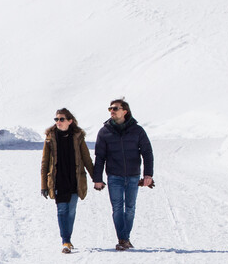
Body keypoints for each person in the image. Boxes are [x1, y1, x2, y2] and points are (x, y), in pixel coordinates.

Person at [93, 98, 154, 251]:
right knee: (118, 208)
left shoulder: (137, 130)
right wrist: (97, 179)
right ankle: (123, 239)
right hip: (114, 176)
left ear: (125, 111)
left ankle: (124, 238)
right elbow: (99, 157)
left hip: (133, 176)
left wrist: (148, 175)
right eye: (110, 109)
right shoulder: (104, 132)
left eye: (115, 108)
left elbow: (147, 153)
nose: (112, 111)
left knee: (131, 207)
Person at [40, 108, 96, 254]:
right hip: (58, 180)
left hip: (75, 179)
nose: (58, 122)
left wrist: (96, 178)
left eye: (61, 119)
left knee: (71, 211)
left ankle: (68, 238)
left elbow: (86, 159)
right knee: (61, 210)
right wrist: (43, 185)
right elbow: (44, 163)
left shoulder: (78, 137)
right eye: (56, 119)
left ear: (70, 121)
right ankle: (65, 241)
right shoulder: (50, 138)